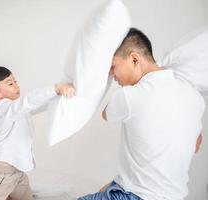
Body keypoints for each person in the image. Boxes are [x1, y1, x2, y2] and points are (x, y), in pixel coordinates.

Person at [78, 28, 205, 200]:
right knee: (104, 188)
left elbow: (106, 114)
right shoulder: (195, 98)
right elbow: (196, 145)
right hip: (173, 196)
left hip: (135, 196)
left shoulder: (128, 96)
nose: (111, 74)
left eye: (113, 67)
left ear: (134, 59)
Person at [0, 66, 76, 200]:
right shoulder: (5, 108)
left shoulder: (17, 109)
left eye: (15, 82)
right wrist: (56, 88)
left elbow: (36, 104)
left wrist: (58, 95)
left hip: (17, 172)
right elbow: (29, 101)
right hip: (0, 173)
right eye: (10, 83)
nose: (16, 86)